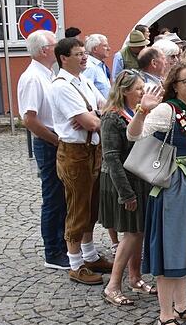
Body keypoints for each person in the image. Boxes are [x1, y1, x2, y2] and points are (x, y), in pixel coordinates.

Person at [127, 64, 186, 325]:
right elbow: (133, 135)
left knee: (185, 246)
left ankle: (182, 305)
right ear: (174, 85)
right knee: (171, 248)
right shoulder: (167, 110)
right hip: (172, 186)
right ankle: (165, 316)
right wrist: (143, 109)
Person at [49, 37, 113, 285]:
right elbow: (93, 123)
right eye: (78, 54)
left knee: (91, 205)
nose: (84, 57)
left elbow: (107, 107)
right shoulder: (61, 86)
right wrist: (95, 116)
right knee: (77, 207)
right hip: (75, 151)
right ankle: (75, 264)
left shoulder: (83, 80)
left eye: (85, 53)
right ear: (64, 58)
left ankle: (90, 255)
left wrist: (96, 114)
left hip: (92, 150)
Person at [99, 70, 155, 306]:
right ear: (124, 91)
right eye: (139, 89)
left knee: (138, 231)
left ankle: (135, 278)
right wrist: (126, 193)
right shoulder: (112, 117)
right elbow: (111, 157)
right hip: (120, 181)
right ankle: (113, 285)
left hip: (137, 177)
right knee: (130, 234)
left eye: (144, 88)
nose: (143, 92)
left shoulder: (134, 112)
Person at [18, 30, 68, 270]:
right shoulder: (32, 78)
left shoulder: (48, 74)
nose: (57, 48)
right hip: (48, 143)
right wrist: (54, 139)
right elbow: (29, 119)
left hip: (54, 139)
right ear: (44, 50)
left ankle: (62, 245)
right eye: (54, 44)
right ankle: (53, 252)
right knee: (53, 198)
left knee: (61, 197)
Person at [83, 34, 112, 98]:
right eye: (105, 46)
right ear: (95, 49)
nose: (109, 48)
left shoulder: (101, 66)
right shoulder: (90, 67)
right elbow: (86, 92)